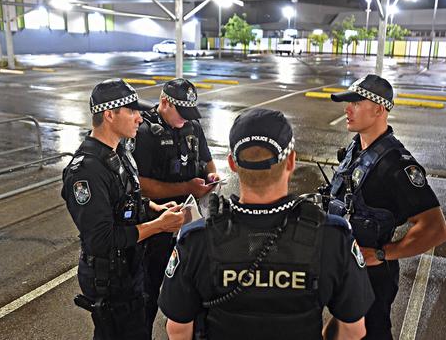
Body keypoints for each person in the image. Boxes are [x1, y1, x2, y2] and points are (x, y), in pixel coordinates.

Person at [159, 108, 373, 340]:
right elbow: (353, 330)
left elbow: (178, 329)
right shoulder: (332, 237)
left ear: (232, 163)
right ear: (291, 161)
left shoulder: (196, 239)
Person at [327, 74, 446, 340]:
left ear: (379, 109)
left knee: (373, 333)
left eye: (356, 103)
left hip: (372, 279)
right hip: (347, 270)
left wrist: (382, 254)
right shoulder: (357, 147)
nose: (347, 109)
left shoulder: (396, 165)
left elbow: (436, 229)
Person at [61, 78, 185, 340]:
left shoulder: (118, 151)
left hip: (128, 266)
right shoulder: (87, 171)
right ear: (109, 115)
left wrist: (155, 208)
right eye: (132, 111)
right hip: (109, 277)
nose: (139, 118)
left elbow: (127, 199)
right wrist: (159, 226)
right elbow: (101, 238)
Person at [131, 77, 220, 334]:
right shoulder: (144, 131)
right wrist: (186, 188)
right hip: (157, 226)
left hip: (191, 222)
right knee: (148, 293)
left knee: (195, 290)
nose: (185, 118)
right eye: (181, 112)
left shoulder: (192, 125)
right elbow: (141, 184)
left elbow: (207, 161)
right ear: (164, 103)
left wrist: (212, 176)